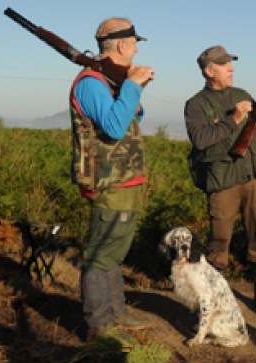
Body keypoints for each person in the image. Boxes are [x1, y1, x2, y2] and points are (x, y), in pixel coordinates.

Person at [69, 17, 155, 341]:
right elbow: (114, 127)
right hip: (109, 183)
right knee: (99, 255)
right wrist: (132, 85)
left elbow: (132, 118)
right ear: (122, 45)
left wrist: (130, 90)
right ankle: (98, 324)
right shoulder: (90, 82)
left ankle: (117, 312)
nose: (135, 50)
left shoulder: (109, 81)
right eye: (134, 44)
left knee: (115, 252)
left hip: (126, 180)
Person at [184, 45, 256, 316]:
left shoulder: (242, 94)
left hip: (255, 177)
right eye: (224, 64)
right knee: (219, 241)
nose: (231, 68)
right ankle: (213, 300)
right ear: (209, 71)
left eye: (230, 63)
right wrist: (234, 120)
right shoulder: (195, 105)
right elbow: (201, 140)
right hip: (223, 180)